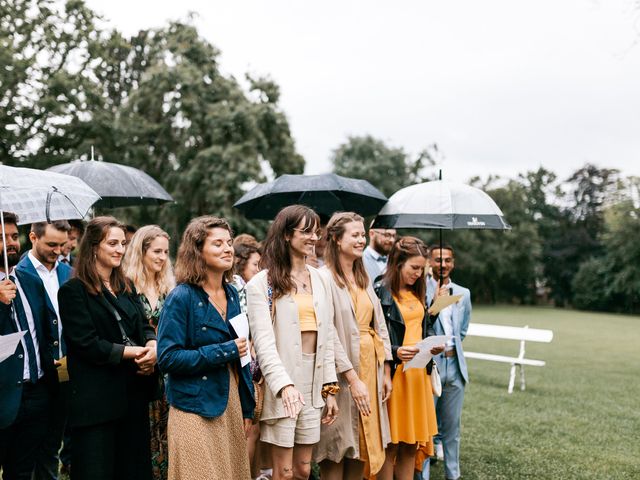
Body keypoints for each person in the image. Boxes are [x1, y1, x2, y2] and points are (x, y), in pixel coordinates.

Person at [58, 216, 158, 480]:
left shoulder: (126, 285)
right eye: (112, 243)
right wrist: (133, 353)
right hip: (96, 403)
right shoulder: (73, 291)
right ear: (93, 247)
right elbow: (87, 344)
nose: (120, 249)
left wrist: (152, 345)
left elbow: (144, 325)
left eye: (123, 244)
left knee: (133, 471)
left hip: (132, 397)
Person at [157, 216, 254, 480]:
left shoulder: (232, 293)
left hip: (229, 400)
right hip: (193, 407)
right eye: (218, 243)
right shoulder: (181, 297)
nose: (227, 249)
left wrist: (247, 407)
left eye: (229, 243)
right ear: (198, 251)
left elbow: (242, 354)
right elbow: (167, 358)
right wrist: (224, 351)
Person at [246, 205, 339, 480]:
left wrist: (330, 387)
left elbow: (328, 335)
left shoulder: (322, 279)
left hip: (315, 382)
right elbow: (263, 342)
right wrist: (284, 385)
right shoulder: (262, 283)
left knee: (303, 469)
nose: (313, 237)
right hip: (282, 383)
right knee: (283, 472)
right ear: (286, 235)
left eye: (316, 231)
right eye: (306, 231)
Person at [314, 212, 393, 480]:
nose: (362, 240)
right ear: (336, 239)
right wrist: (351, 377)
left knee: (362, 445)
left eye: (363, 234)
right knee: (337, 446)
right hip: (339, 372)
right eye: (355, 235)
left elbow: (379, 323)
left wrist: (386, 371)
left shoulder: (364, 277)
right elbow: (327, 330)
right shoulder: (323, 278)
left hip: (371, 370)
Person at [374, 237, 445, 480]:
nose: (418, 273)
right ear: (397, 263)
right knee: (390, 443)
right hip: (394, 376)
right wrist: (395, 351)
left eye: (422, 269)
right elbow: (374, 334)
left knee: (410, 444)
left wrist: (434, 338)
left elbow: (423, 329)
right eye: (414, 268)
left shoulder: (418, 292)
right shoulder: (380, 291)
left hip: (418, 376)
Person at [0, 212, 59, 480]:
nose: (11, 243)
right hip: (1, 396)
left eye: (14, 236)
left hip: (36, 395)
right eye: (2, 237)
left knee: (23, 472)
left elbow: (46, 331)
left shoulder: (28, 279)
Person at [16, 221, 72, 480]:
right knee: (24, 455)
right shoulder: (16, 274)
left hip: (64, 374)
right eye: (51, 244)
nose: (59, 250)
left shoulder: (69, 273)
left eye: (62, 244)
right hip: (33, 378)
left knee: (52, 448)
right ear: (33, 237)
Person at [123, 225, 176, 480]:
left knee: (168, 437)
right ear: (141, 251)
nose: (162, 257)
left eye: (166, 252)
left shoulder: (170, 288)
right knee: (140, 439)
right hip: (138, 370)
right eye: (156, 251)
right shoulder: (126, 286)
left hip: (168, 372)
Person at [426, 245, 471, 480]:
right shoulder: (420, 289)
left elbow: (462, 330)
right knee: (426, 427)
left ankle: (453, 475)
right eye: (438, 260)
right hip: (430, 366)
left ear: (453, 263)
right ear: (429, 262)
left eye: (448, 260)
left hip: (455, 366)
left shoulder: (463, 293)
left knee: (452, 427)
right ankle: (420, 475)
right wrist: (434, 302)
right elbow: (422, 324)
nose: (443, 264)